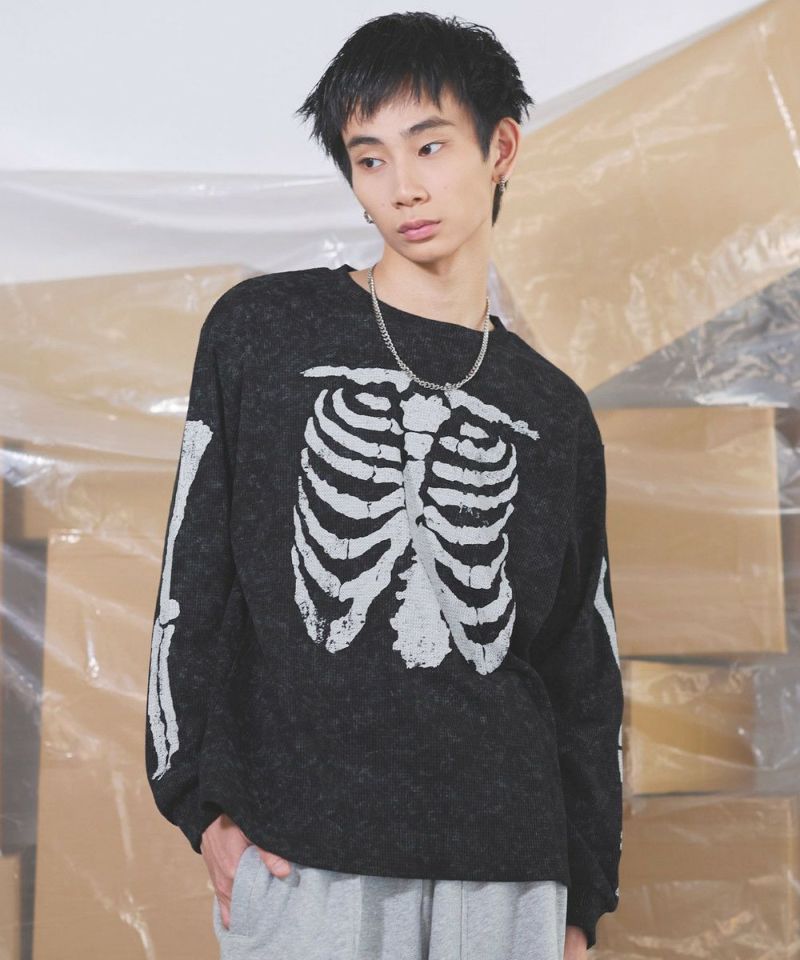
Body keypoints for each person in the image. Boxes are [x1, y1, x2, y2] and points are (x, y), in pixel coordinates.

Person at [145, 12, 623, 960]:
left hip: (509, 863)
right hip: (303, 844)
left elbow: (583, 668)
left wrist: (581, 905)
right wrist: (200, 803)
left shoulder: (554, 409)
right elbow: (192, 582)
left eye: (430, 146)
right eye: (370, 159)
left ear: (500, 149)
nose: (402, 186)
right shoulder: (262, 333)